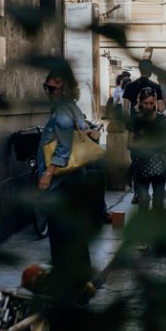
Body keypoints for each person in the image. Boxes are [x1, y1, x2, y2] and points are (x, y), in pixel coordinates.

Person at [37, 69, 102, 297]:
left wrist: (48, 174)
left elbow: (63, 149)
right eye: (46, 87)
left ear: (63, 90)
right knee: (74, 235)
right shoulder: (73, 109)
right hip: (74, 182)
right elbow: (83, 131)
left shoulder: (63, 112)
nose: (47, 92)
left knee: (61, 236)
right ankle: (82, 281)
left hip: (61, 184)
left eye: (51, 88)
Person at [129, 86, 166, 219]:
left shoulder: (162, 120)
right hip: (141, 165)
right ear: (140, 103)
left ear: (156, 102)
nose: (148, 106)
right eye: (145, 103)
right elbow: (129, 144)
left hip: (160, 165)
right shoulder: (136, 121)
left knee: (158, 202)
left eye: (151, 103)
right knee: (143, 202)